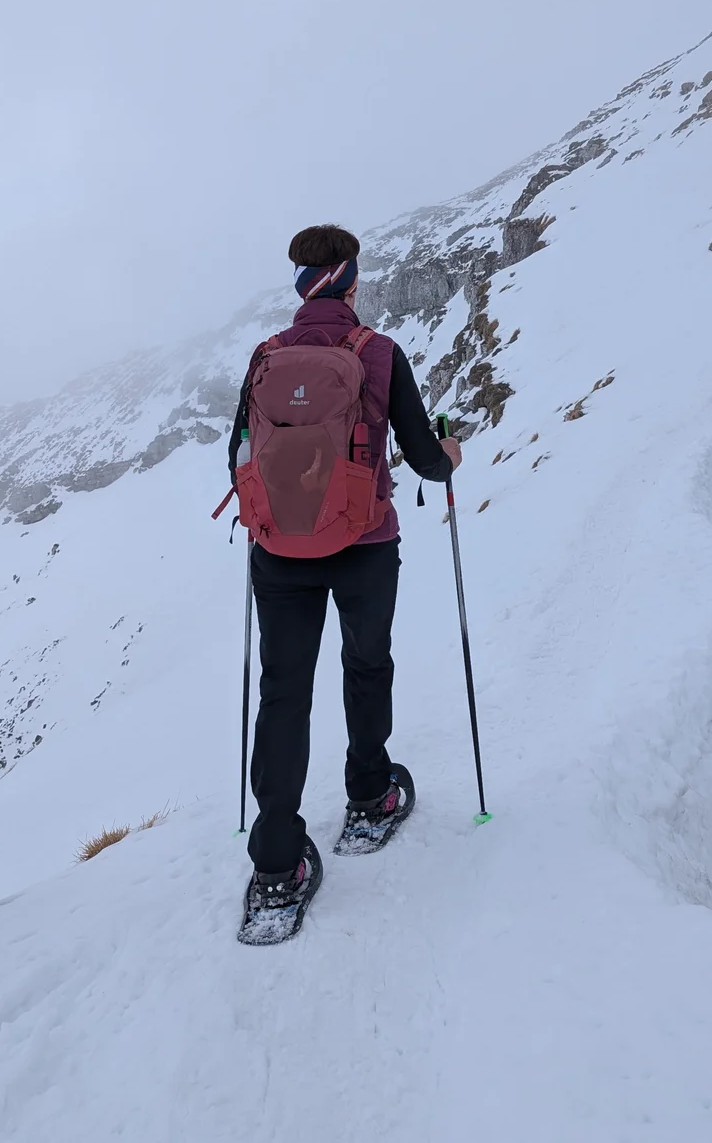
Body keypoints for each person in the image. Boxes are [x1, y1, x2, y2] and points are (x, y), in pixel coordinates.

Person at [228, 224, 462, 933]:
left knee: (282, 692)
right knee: (366, 663)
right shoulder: (379, 353)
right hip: (364, 543)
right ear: (352, 281)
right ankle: (368, 793)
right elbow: (426, 458)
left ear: (300, 285)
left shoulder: (265, 357)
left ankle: (276, 862)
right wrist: (450, 449)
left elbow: (238, 453)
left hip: (279, 552)